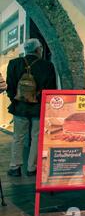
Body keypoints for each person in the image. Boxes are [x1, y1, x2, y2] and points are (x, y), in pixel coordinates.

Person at [6, 39, 57, 177]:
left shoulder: (14, 63)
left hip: (19, 107)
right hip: (38, 108)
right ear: (38, 50)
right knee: (36, 137)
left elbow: (10, 86)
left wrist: (16, 100)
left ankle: (15, 167)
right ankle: (31, 168)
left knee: (18, 137)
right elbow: (52, 89)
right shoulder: (47, 66)